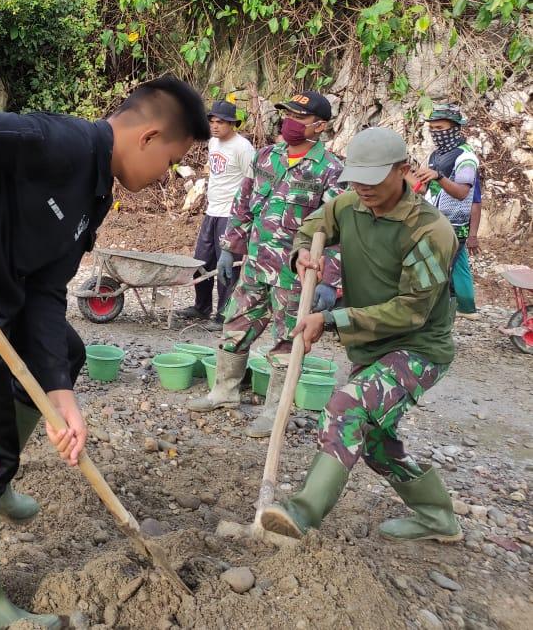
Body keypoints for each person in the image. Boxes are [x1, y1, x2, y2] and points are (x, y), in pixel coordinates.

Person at [0, 76, 210, 629]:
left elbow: (46, 291)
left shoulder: (96, 190)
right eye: (172, 161)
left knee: (68, 349)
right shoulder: (64, 143)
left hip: (0, 295)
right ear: (149, 137)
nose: (164, 178)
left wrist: (62, 397)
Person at [260, 128, 462, 545]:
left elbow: (411, 311)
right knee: (372, 440)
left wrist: (332, 319)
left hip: (419, 348)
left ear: (403, 171)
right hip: (372, 347)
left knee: (346, 404)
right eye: (356, 178)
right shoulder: (349, 205)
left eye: (373, 179)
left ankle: (303, 511)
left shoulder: (431, 232)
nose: (363, 188)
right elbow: (314, 225)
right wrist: (303, 251)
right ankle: (438, 515)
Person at [188, 89, 345, 438]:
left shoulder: (331, 170)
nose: (289, 123)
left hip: (296, 275)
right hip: (256, 265)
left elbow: (339, 233)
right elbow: (244, 206)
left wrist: (328, 282)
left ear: (319, 126)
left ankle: (276, 411)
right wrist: (230, 248)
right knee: (235, 324)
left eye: (299, 118)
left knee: (288, 342)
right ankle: (225, 391)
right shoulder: (265, 157)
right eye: (287, 115)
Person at [177, 98, 254, 324]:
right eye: (212, 121)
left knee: (226, 267)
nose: (215, 126)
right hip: (212, 211)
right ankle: (201, 307)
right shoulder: (213, 143)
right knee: (202, 261)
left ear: (232, 124)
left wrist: (243, 217)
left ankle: (224, 314)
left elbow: (251, 182)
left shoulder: (243, 148)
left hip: (231, 215)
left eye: (221, 122)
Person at [409, 104, 478, 316]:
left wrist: (438, 176)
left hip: (454, 228)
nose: (436, 133)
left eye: (440, 128)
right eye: (432, 129)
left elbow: (463, 193)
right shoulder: (435, 155)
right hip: (432, 223)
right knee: (442, 271)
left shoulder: (466, 158)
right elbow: (423, 190)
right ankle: (460, 310)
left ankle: (440, 320)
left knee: (437, 273)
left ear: (455, 128)